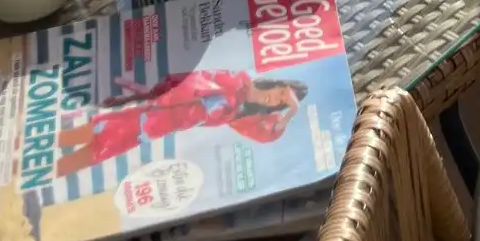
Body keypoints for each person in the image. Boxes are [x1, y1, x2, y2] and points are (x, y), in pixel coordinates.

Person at [56, 71, 307, 176]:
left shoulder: (241, 114)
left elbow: (265, 134)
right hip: (145, 115)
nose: (275, 100)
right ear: (276, 83)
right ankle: (40, 159)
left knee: (91, 154)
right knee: (86, 139)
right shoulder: (236, 81)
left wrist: (291, 112)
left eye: (281, 103)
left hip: (151, 129)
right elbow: (187, 84)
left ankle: (43, 170)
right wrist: (151, 97)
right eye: (280, 93)